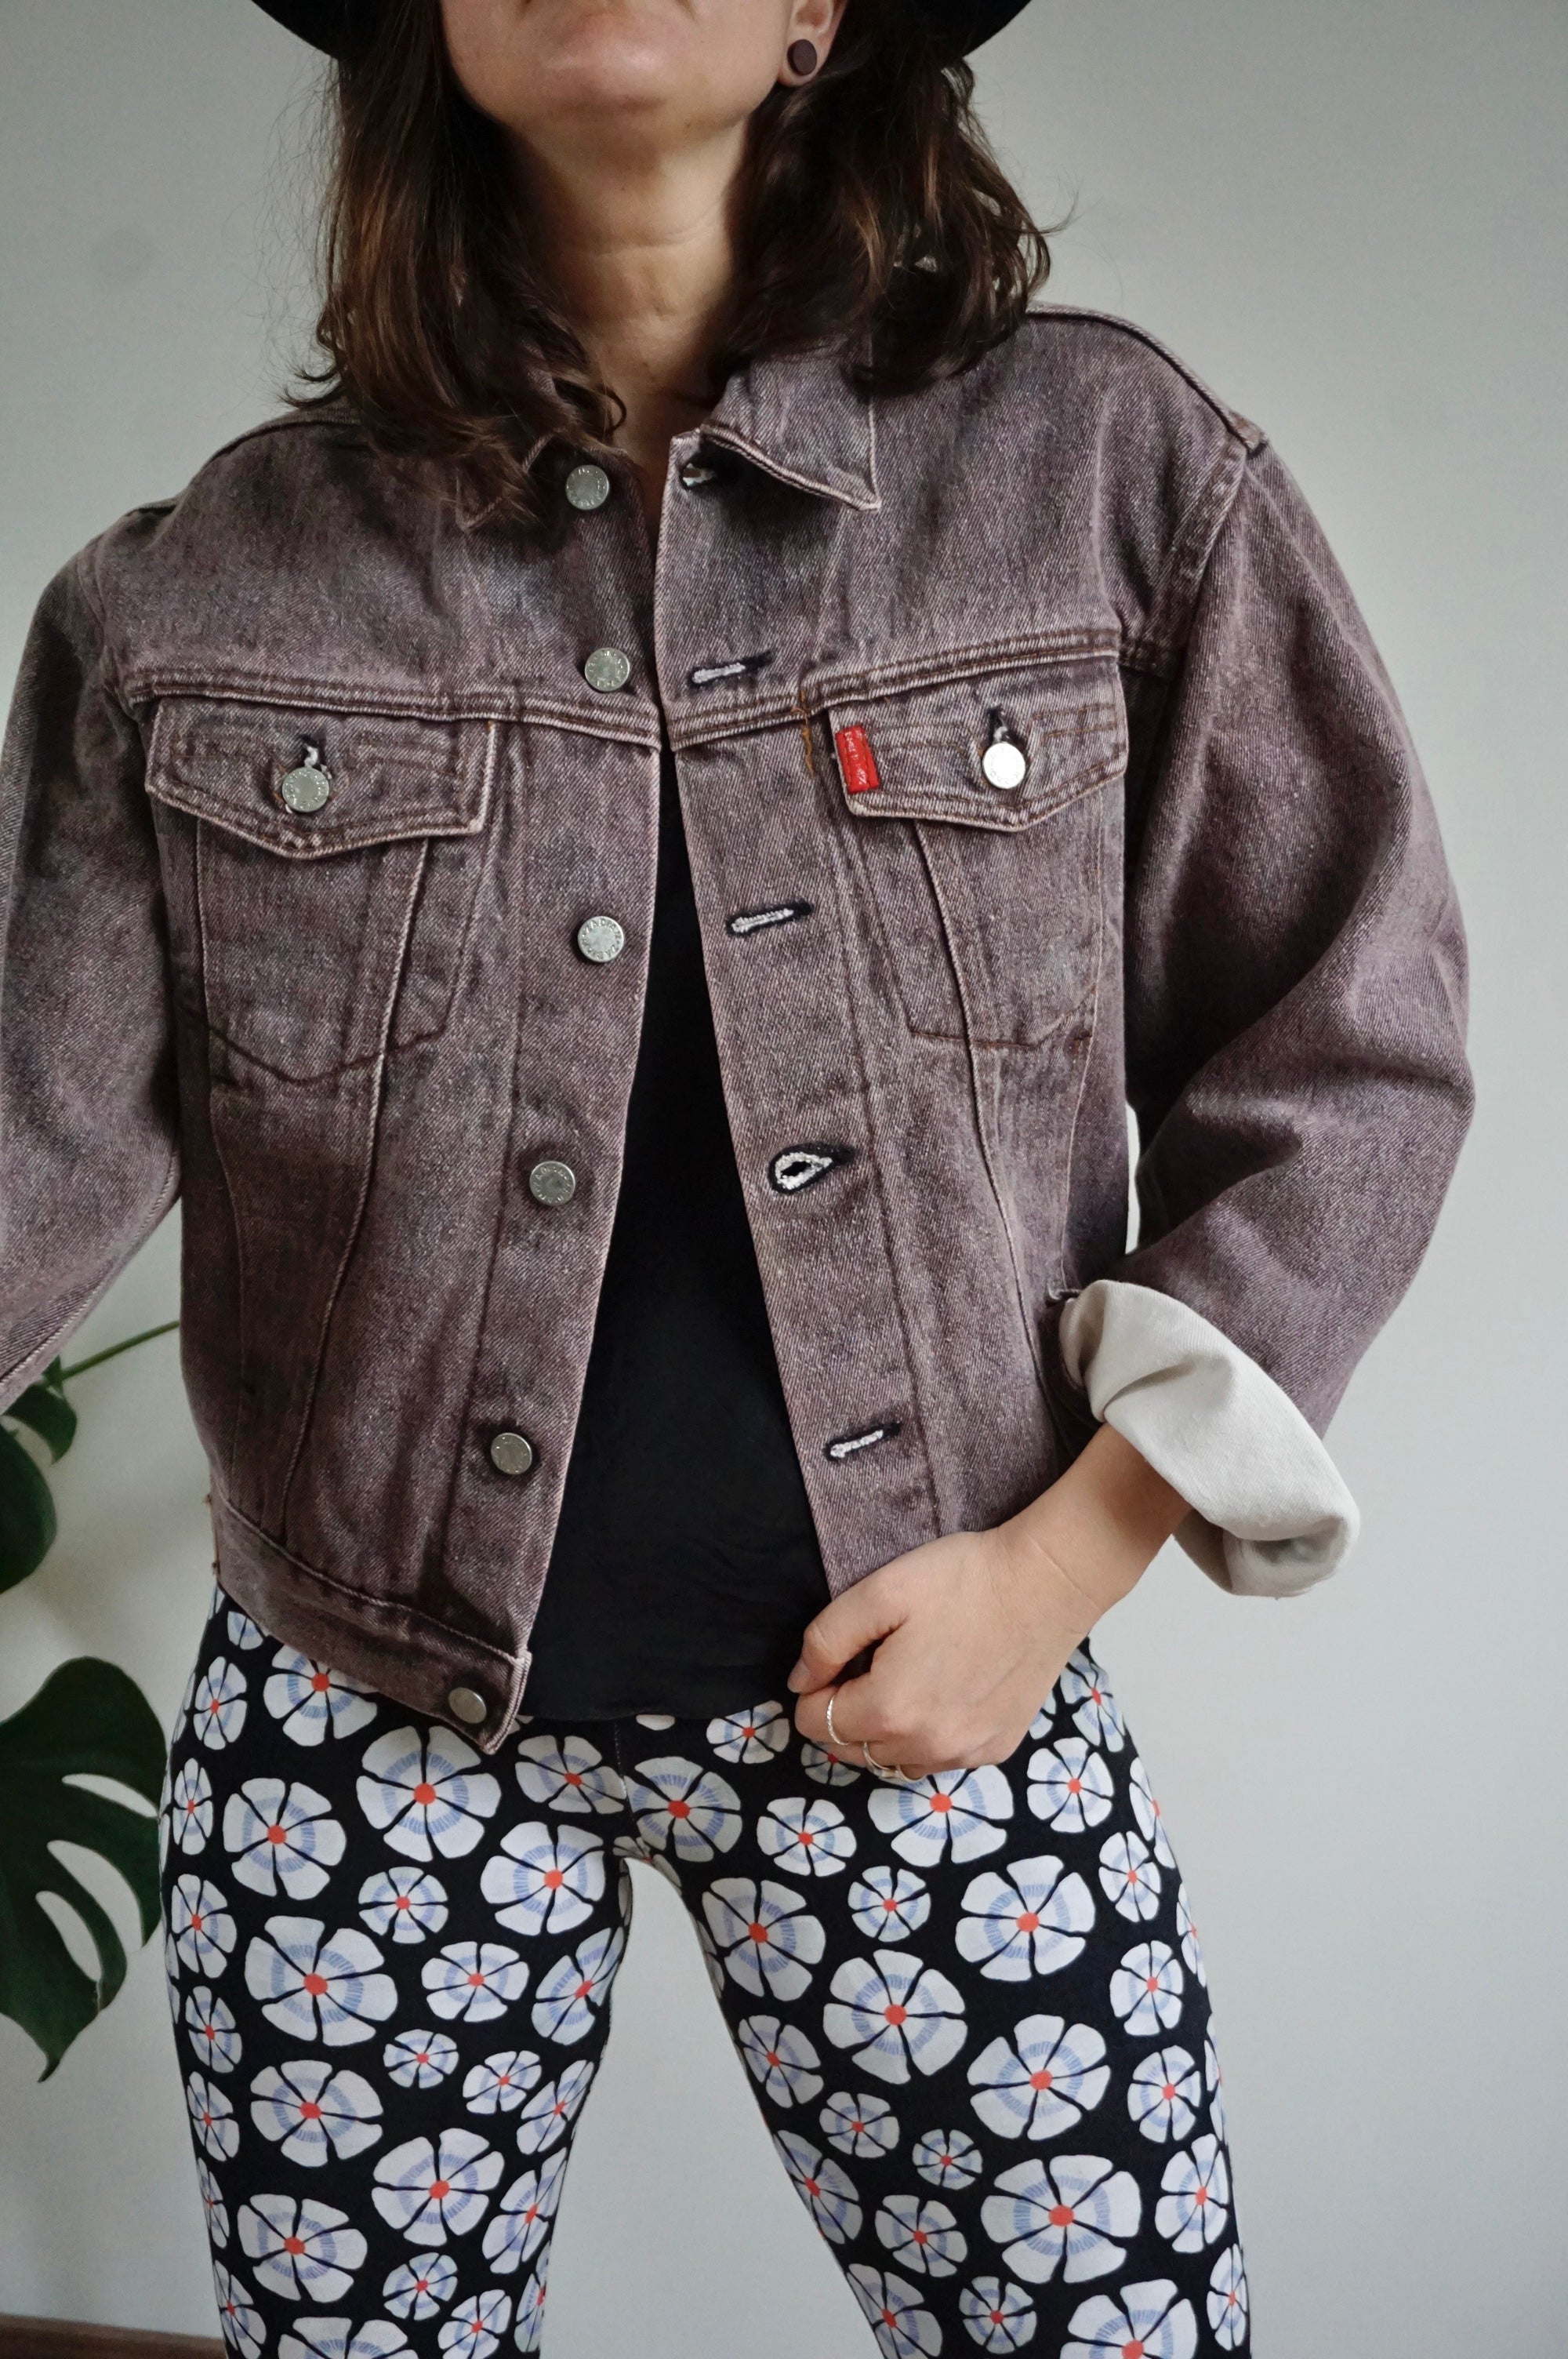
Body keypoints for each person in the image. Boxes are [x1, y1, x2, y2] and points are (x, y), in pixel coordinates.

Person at [0, 1, 1472, 2350]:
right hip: (362, 1737)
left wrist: (1063, 1567)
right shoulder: (201, 595)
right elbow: (30, 1135)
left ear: (823, 17)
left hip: (941, 1696)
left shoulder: (1103, 475)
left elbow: (1348, 1047)